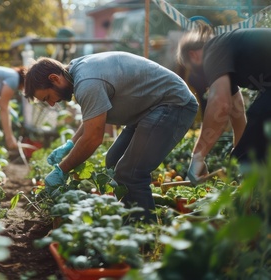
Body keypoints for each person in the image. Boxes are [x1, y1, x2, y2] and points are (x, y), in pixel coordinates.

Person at [24, 52, 198, 223]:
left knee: (131, 173)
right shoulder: (76, 71)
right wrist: (71, 143)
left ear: (54, 78)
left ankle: (146, 235)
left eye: (48, 97)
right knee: (113, 160)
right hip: (148, 109)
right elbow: (95, 115)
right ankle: (129, 218)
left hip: (173, 104)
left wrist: (62, 170)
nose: (52, 103)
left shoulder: (87, 83)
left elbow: (93, 138)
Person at [177, 24, 271, 183]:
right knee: (247, 154)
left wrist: (197, 157)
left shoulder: (213, 49)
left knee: (249, 155)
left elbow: (220, 105)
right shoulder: (226, 57)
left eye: (192, 69)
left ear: (193, 55)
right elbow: (237, 110)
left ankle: (253, 205)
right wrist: (238, 154)